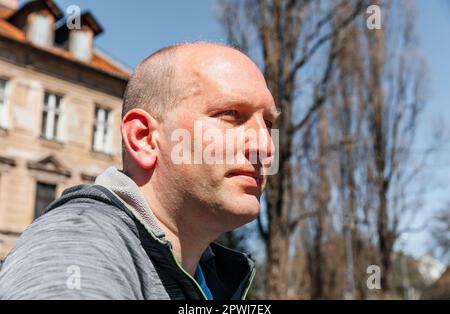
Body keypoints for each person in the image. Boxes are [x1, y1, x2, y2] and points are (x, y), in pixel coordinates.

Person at [0, 42, 279, 299]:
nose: (266, 146)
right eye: (231, 114)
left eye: (268, 123)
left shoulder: (210, 276)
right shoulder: (73, 249)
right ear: (143, 138)